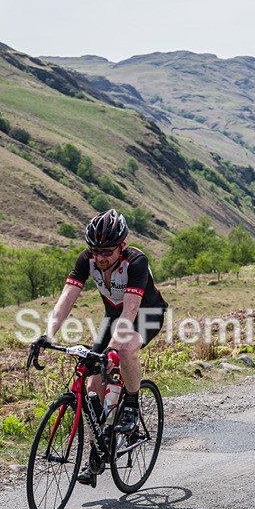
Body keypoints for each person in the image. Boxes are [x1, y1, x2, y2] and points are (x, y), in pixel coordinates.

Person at [31, 209, 167, 487]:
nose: (100, 258)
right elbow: (65, 300)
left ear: (122, 245)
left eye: (107, 251)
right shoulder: (87, 260)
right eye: (95, 251)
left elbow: (130, 315)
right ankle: (95, 456)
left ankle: (131, 402)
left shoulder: (136, 262)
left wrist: (113, 351)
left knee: (126, 348)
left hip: (146, 313)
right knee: (92, 388)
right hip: (113, 317)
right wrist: (46, 335)